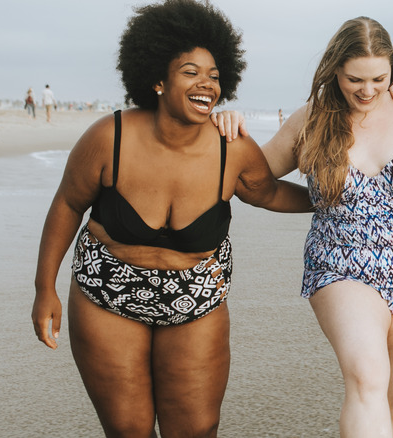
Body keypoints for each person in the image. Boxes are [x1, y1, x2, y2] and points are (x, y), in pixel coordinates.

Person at [30, 1, 311, 437]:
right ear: (158, 80)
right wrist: (43, 288)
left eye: (215, 75)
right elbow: (67, 204)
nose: (206, 84)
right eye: (190, 72)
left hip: (196, 297)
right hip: (107, 291)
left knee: (197, 429)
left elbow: (269, 193)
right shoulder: (110, 137)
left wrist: (335, 199)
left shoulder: (230, 149)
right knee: (129, 429)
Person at [229, 16, 393, 437]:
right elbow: (253, 179)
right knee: (367, 380)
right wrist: (229, 128)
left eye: (379, 78)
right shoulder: (310, 120)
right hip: (340, 264)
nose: (368, 91)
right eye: (355, 80)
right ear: (335, 70)